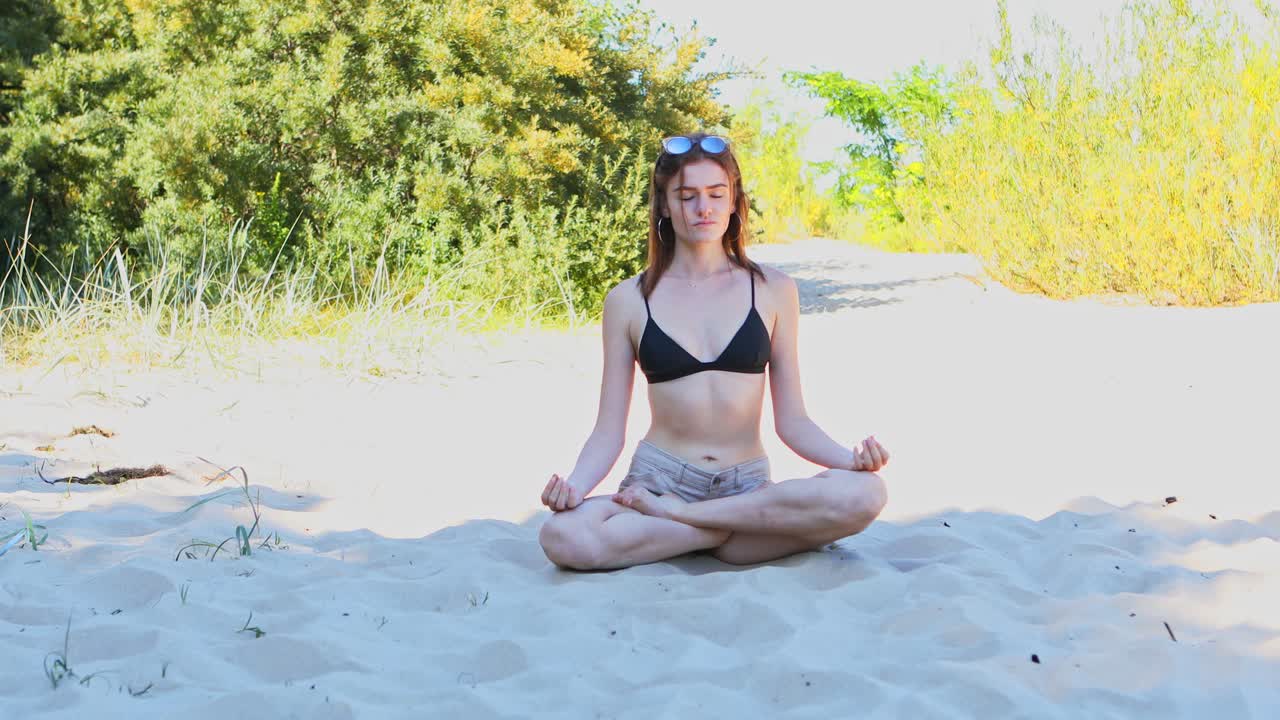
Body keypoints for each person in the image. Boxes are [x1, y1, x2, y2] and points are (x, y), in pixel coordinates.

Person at [538, 132, 889, 570]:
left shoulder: (774, 290)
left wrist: (850, 460)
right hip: (659, 484)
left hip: (744, 488)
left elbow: (793, 422)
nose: (703, 208)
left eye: (715, 194)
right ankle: (723, 530)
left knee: (868, 492)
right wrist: (575, 485)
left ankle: (693, 523)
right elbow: (609, 430)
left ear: (733, 201)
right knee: (561, 535)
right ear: (664, 204)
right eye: (686, 196)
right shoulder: (628, 300)